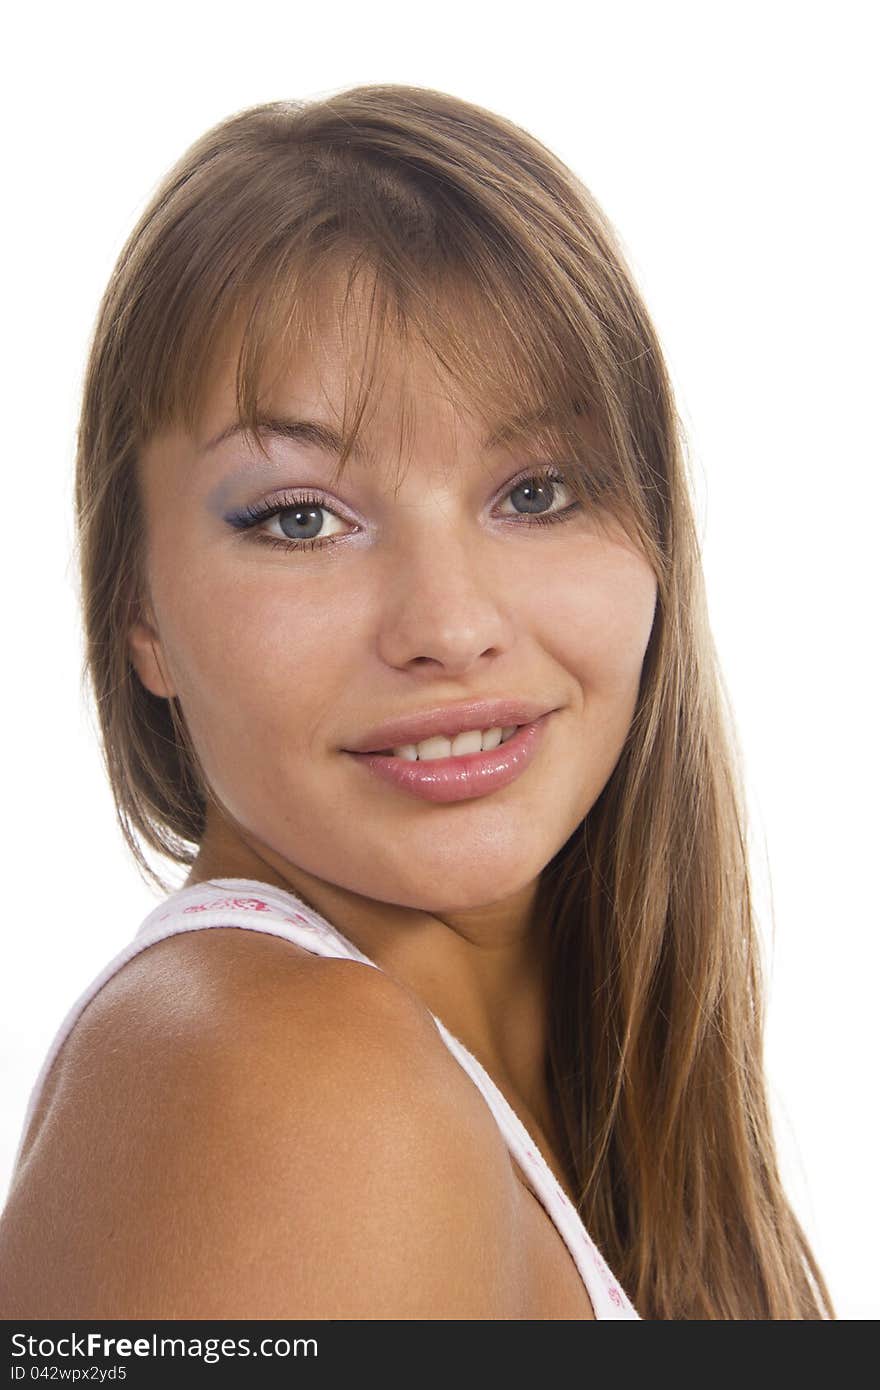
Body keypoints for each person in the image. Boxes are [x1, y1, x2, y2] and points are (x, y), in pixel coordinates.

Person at [0, 84, 833, 1320]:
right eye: (299, 517)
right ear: (139, 614)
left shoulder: (547, 1095)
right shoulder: (292, 1085)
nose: (449, 626)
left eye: (537, 492)